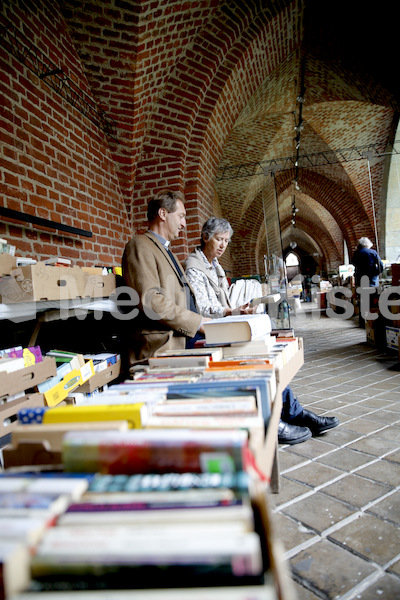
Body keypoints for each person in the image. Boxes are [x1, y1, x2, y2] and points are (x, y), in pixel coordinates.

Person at [185, 217, 339, 445]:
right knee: (258, 357)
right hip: (209, 331)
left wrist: (242, 309)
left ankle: (293, 411)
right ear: (205, 237)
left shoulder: (215, 266)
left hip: (223, 325)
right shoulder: (194, 266)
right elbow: (204, 307)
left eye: (226, 241)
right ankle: (274, 418)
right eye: (219, 239)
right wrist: (234, 311)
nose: (223, 245)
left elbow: (224, 300)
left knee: (267, 350)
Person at [122, 189, 209, 367]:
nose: (184, 223)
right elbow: (151, 300)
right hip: (167, 343)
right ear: (163, 213)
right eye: (181, 216)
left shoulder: (168, 252)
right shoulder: (139, 244)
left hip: (186, 336)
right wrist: (197, 322)